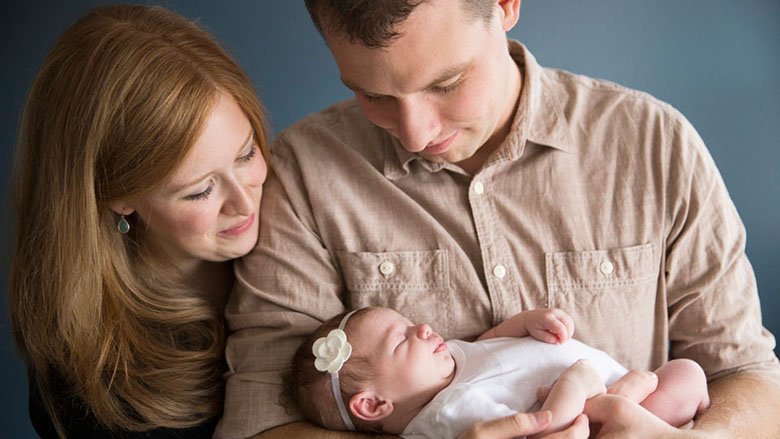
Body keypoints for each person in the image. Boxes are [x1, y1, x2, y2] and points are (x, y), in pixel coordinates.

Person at [216, 0, 780, 438]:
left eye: (446, 83)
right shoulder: (302, 175)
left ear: (505, 5)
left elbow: (745, 375)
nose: (416, 133)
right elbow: (261, 424)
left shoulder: (655, 144)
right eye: (372, 95)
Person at [8, 4, 269, 438]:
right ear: (118, 196)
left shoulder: (308, 219)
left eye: (246, 154)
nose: (244, 202)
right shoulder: (88, 387)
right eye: (200, 190)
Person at [289, 307, 709, 438]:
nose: (422, 328)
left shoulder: (443, 365)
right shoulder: (446, 414)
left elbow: (485, 349)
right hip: (595, 416)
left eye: (408, 322)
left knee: (685, 371)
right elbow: (546, 427)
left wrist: (520, 325)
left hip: (613, 385)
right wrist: (575, 383)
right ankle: (638, 403)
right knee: (684, 377)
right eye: (401, 340)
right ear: (374, 403)